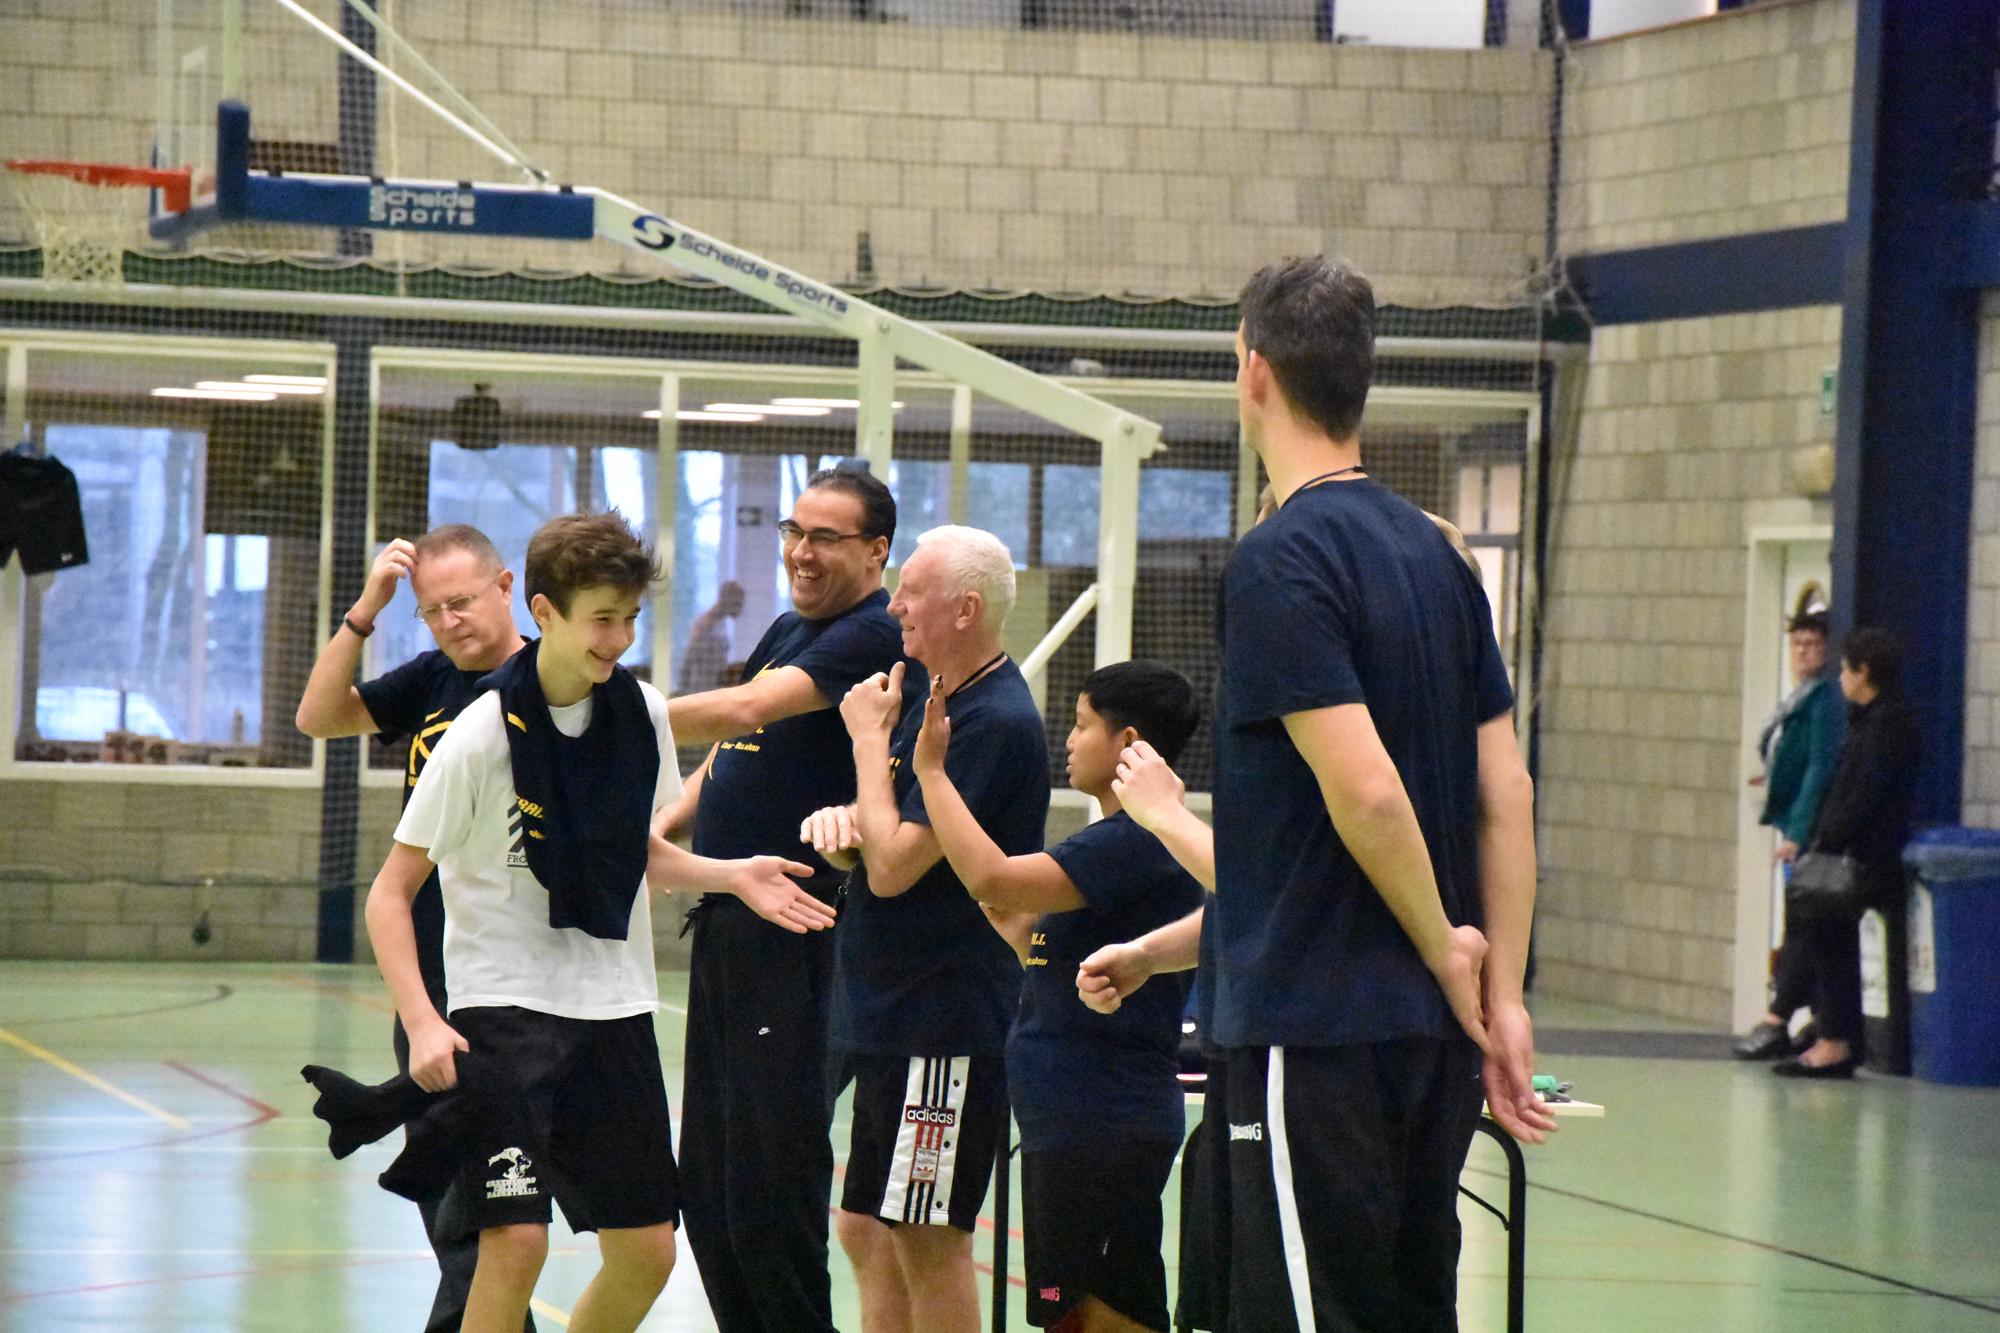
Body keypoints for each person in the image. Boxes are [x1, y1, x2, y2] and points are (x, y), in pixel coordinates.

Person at [363, 511, 830, 1333]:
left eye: (630, 618)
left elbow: (629, 852)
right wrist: (423, 1020)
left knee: (647, 1251)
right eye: (601, 619)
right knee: (514, 1245)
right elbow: (390, 893)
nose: (618, 638)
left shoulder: (640, 713)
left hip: (613, 1009)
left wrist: (732, 875)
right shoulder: (480, 733)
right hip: (502, 1014)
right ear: (544, 612)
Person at [1209, 256, 1551, 1329]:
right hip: (1430, 1039)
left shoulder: (1278, 560)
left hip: (1314, 1024)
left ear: (1253, 372)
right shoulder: (1442, 559)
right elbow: (1507, 793)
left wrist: (1445, 942)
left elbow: (1365, 788)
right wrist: (1500, 995)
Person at [660, 465, 908, 1333]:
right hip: (729, 920)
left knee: (770, 1179)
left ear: (876, 551)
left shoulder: (870, 634)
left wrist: (597, 706)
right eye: (794, 532)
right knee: (709, 1180)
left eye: (825, 537)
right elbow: (732, 746)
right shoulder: (792, 625)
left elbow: (747, 706)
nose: (801, 551)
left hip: (797, 928)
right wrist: (665, 819)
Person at [801, 524, 1050, 1333]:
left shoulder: (990, 721)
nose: (895, 605)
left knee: (928, 1238)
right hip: (890, 1009)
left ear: (966, 608)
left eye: (912, 590)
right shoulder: (935, 697)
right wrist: (851, 819)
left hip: (942, 1019)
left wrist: (867, 741)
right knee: (867, 1228)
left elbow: (895, 866)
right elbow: (892, 833)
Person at [911, 660, 1205, 1333]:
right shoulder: (1107, 844)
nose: (1068, 740)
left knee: (1106, 1315)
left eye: (1080, 724)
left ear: (1127, 741)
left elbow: (994, 877)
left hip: (1102, 1119)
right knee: (1073, 1314)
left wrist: (931, 774)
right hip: (1072, 1121)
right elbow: (1031, 939)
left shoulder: (1133, 841)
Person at [294, 522, 531, 1333]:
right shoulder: (433, 677)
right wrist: (366, 610)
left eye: (461, 602)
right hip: (426, 974)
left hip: (511, 972)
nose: (449, 622)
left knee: (495, 1202)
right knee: (453, 1197)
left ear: (505, 587)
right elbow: (318, 716)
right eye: (432, 611)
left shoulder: (542, 678)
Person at [1772, 626, 1922, 1079]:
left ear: (1864, 673)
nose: (1840, 678)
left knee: (1829, 932)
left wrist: (1828, 837)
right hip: (1855, 849)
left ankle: (1835, 1039)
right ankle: (1827, 1029)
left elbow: (1863, 794)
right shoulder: (1868, 721)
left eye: (1845, 669)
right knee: (1822, 933)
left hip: (1865, 855)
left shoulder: (1887, 725)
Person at [1736, 607, 1843, 1060]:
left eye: (1813, 644)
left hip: (1808, 829)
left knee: (1804, 923)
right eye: (1797, 644)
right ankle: (1815, 1014)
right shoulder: (1798, 698)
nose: (1803, 652)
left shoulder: (1824, 701)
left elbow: (1819, 767)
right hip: (1789, 818)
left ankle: (1782, 1016)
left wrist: (1798, 831)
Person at [676, 580, 745, 696]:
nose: (741, 607)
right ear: (728, 599)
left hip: (712, 691)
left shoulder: (720, 625)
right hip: (700, 692)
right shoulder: (705, 625)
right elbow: (687, 663)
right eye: (738, 602)